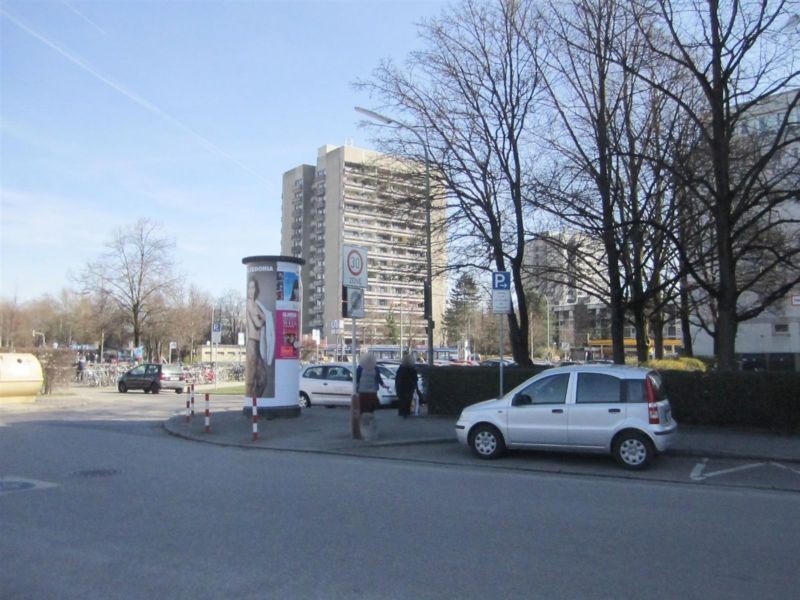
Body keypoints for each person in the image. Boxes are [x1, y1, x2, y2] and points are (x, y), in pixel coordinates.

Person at [245, 276, 274, 398]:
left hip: (257, 345)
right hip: (252, 344)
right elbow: (258, 323)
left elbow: (264, 317)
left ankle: (255, 403)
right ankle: (253, 405)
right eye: (249, 287)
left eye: (253, 287)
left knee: (262, 379)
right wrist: (264, 318)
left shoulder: (256, 304)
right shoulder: (250, 304)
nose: (251, 290)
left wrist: (263, 316)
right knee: (252, 379)